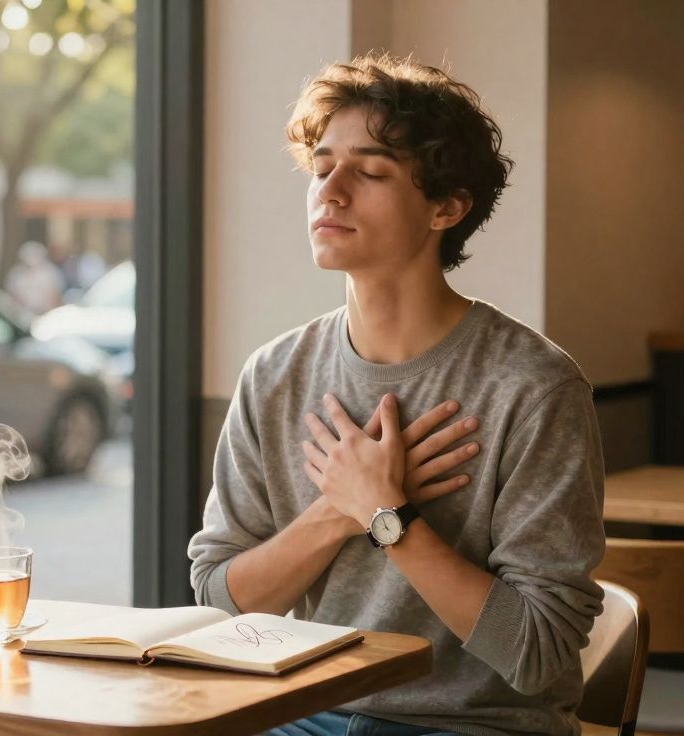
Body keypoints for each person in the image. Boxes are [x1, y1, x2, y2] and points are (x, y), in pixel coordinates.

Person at [187, 54, 605, 736]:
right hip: (306, 713)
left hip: (475, 727)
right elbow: (221, 601)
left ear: (447, 206)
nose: (331, 190)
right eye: (321, 167)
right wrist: (338, 509)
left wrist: (391, 518)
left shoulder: (533, 385)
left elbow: (537, 652)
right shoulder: (274, 375)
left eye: (371, 170)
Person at [5, 240, 65, 315]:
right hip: (22, 315)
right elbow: (12, 295)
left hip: (45, 314)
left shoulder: (50, 272)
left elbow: (55, 295)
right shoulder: (16, 273)